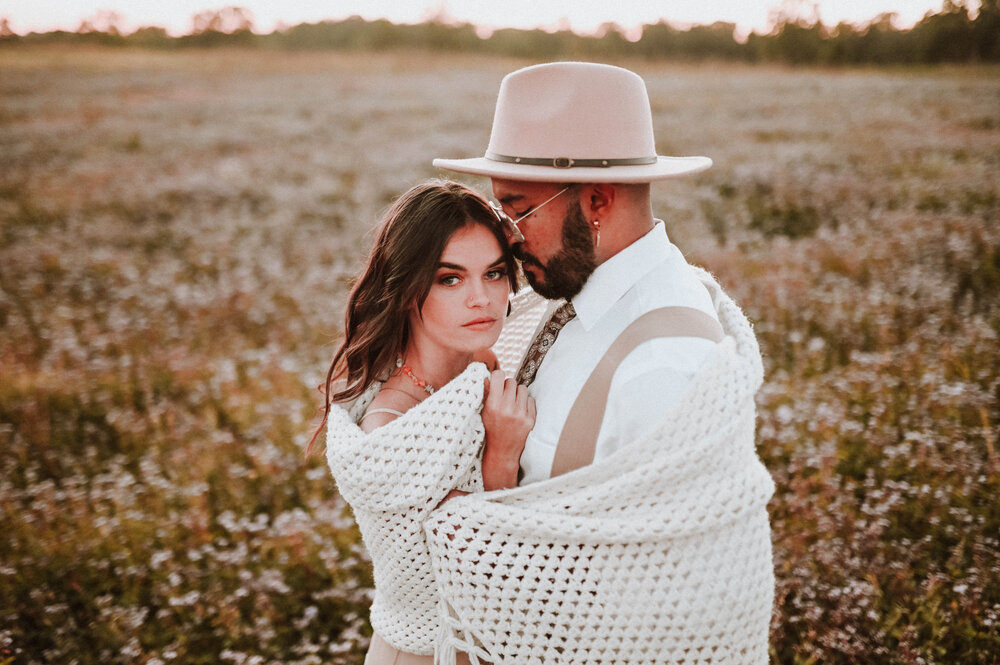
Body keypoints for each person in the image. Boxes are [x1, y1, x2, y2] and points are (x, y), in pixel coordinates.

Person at [425, 62, 775, 664]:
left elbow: (655, 617)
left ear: (595, 202)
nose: (504, 238)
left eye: (515, 212)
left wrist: (464, 530)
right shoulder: (565, 298)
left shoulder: (664, 367)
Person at [310, 180, 535, 664]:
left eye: (494, 273)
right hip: (427, 654)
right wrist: (501, 455)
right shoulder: (391, 432)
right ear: (409, 288)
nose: (482, 298)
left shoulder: (483, 363)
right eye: (450, 279)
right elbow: (486, 568)